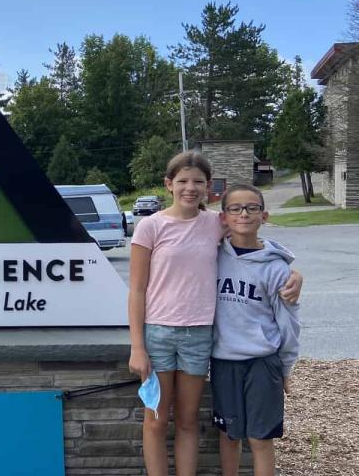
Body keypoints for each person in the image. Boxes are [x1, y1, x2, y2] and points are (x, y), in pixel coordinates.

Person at [127, 151, 302, 476]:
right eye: (182, 181)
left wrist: (292, 271)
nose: (190, 188)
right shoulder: (150, 227)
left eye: (198, 182)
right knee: (156, 419)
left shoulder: (214, 224)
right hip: (159, 334)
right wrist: (137, 346)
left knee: (188, 420)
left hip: (199, 335)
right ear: (169, 184)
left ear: (209, 188)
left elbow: (251, 234)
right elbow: (137, 290)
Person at [212, 184, 300, 476]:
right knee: (229, 435)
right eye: (235, 208)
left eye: (251, 208)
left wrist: (285, 367)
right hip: (224, 360)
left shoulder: (277, 269)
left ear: (264, 215)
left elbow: (288, 322)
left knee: (260, 438)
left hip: (263, 361)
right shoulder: (212, 256)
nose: (243, 214)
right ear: (223, 217)